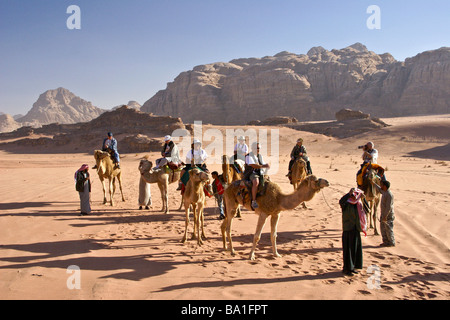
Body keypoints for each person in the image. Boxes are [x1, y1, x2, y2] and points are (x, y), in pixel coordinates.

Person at [339, 188, 369, 276]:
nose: (353, 196)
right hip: (348, 229)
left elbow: (367, 209)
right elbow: (341, 201)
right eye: (352, 195)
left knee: (355, 250)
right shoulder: (346, 203)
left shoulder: (359, 205)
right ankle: (347, 269)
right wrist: (348, 194)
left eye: (355, 195)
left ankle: (353, 267)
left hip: (356, 229)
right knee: (348, 250)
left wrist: (364, 199)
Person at [244, 142, 270, 209]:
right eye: (256, 148)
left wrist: (266, 166)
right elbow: (254, 165)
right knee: (256, 182)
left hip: (260, 172)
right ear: (252, 148)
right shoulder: (248, 156)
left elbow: (263, 163)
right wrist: (264, 166)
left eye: (258, 148)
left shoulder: (259, 156)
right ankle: (254, 201)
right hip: (251, 173)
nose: (257, 149)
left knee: (269, 182)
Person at [374, 180, 395, 247]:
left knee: (388, 229)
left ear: (385, 186)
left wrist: (385, 216)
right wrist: (373, 183)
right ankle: (385, 242)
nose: (380, 186)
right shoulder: (384, 192)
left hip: (388, 215)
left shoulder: (389, 194)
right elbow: (379, 190)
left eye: (382, 185)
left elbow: (388, 207)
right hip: (383, 214)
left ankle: (391, 242)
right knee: (383, 228)